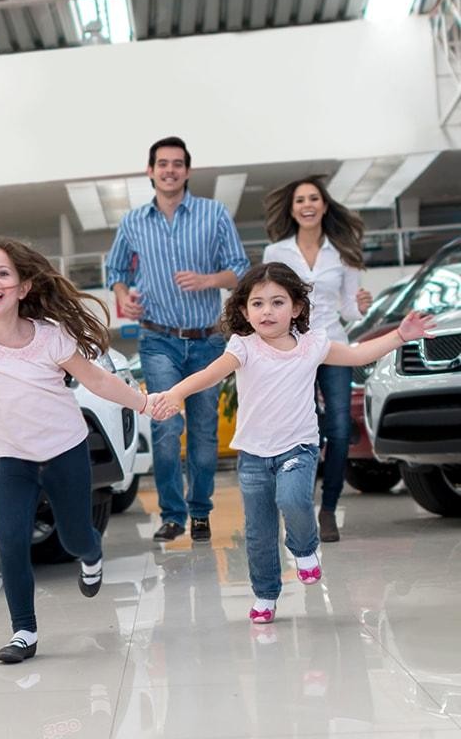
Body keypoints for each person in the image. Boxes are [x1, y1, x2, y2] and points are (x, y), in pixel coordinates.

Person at [152, 262, 435, 624]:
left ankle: (304, 549)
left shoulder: (313, 345)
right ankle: (266, 595)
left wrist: (400, 335)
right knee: (258, 532)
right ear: (244, 310)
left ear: (297, 308)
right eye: (257, 304)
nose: (266, 311)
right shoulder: (243, 346)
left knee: (293, 499)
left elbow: (358, 355)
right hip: (253, 456)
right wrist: (176, 393)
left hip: (298, 448)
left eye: (277, 302)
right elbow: (210, 374)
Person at [0, 237, 158, 664]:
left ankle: (92, 553)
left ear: (24, 287)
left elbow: (97, 381)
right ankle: (24, 631)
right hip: (13, 460)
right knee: (11, 543)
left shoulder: (51, 338)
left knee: (73, 538)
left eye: (2, 274)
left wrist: (143, 402)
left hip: (65, 452)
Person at [106, 136, 249, 543]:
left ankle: (200, 511)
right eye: (162, 164)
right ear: (150, 171)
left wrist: (209, 280)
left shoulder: (214, 213)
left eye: (177, 164)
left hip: (208, 342)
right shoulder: (133, 222)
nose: (169, 170)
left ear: (187, 170)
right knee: (166, 425)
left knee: (204, 431)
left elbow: (239, 268)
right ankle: (172, 515)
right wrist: (122, 296)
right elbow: (115, 269)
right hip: (158, 338)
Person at [263, 175, 373, 542]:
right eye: (300, 200)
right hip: (293, 351)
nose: (307, 205)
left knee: (340, 428)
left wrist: (358, 306)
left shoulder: (342, 252)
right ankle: (301, 507)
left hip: (332, 345)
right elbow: (271, 303)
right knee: (302, 431)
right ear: (292, 209)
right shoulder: (276, 253)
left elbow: (348, 309)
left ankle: (328, 509)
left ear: (324, 205)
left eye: (313, 198)